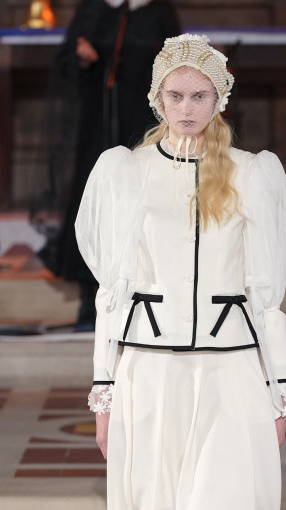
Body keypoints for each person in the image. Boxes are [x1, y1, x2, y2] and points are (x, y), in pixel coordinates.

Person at [75, 34, 286, 510]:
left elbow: (265, 295)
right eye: (175, 95)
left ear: (219, 99)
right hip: (149, 374)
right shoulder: (125, 172)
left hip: (230, 376)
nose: (187, 108)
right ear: (156, 98)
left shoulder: (253, 175)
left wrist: (280, 388)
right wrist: (104, 389)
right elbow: (112, 293)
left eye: (199, 95)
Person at [47, 0, 180, 328]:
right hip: (98, 120)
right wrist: (81, 58)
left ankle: (147, 294)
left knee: (143, 199)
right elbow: (65, 59)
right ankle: (89, 295)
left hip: (143, 122)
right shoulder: (94, 8)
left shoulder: (158, 10)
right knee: (95, 198)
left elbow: (177, 64)